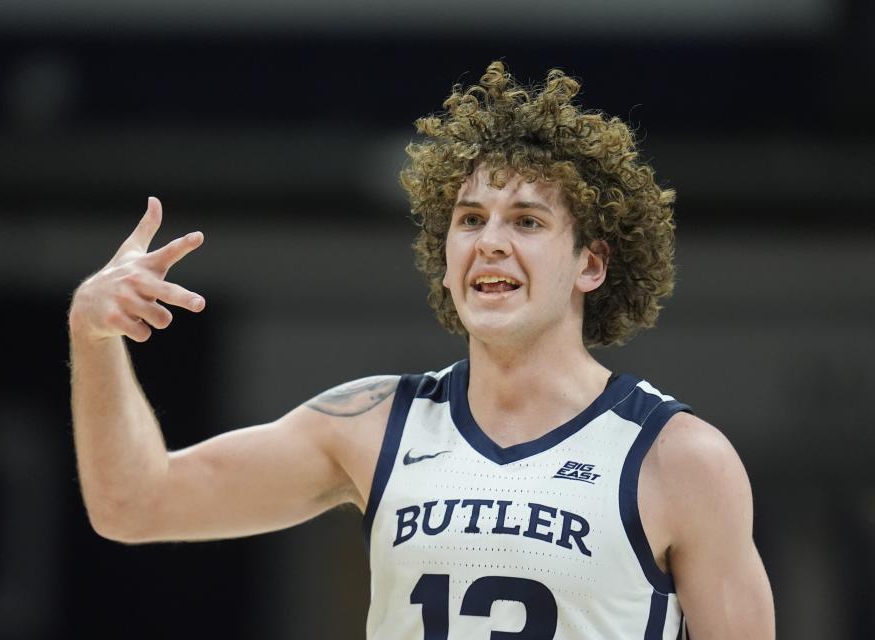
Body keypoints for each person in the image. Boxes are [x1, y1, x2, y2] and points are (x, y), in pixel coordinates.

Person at [69, 61, 775, 639]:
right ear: (445, 256)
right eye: (470, 220)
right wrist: (93, 335)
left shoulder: (679, 459)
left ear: (591, 265)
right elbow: (132, 504)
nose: (489, 240)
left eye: (526, 220)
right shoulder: (373, 424)